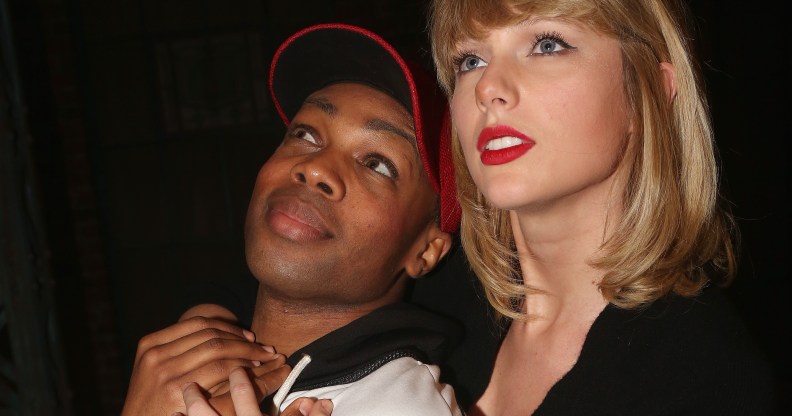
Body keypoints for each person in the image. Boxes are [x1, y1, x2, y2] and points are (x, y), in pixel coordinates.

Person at [426, 0, 776, 414]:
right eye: (470, 60)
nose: (487, 88)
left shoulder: (704, 378)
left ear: (649, 89)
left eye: (547, 45)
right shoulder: (426, 306)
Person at [120, 23, 469, 416]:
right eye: (306, 134)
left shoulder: (402, 406)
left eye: (377, 164)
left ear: (426, 250)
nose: (316, 167)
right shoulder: (185, 371)